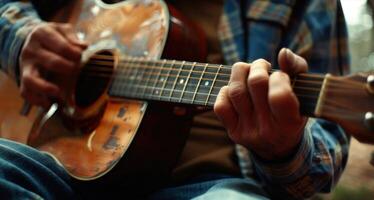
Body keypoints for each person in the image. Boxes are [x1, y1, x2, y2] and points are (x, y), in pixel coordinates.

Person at [0, 0, 350, 199]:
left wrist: (284, 149)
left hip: (209, 186)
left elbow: (327, 151)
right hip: (52, 168)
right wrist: (20, 38)